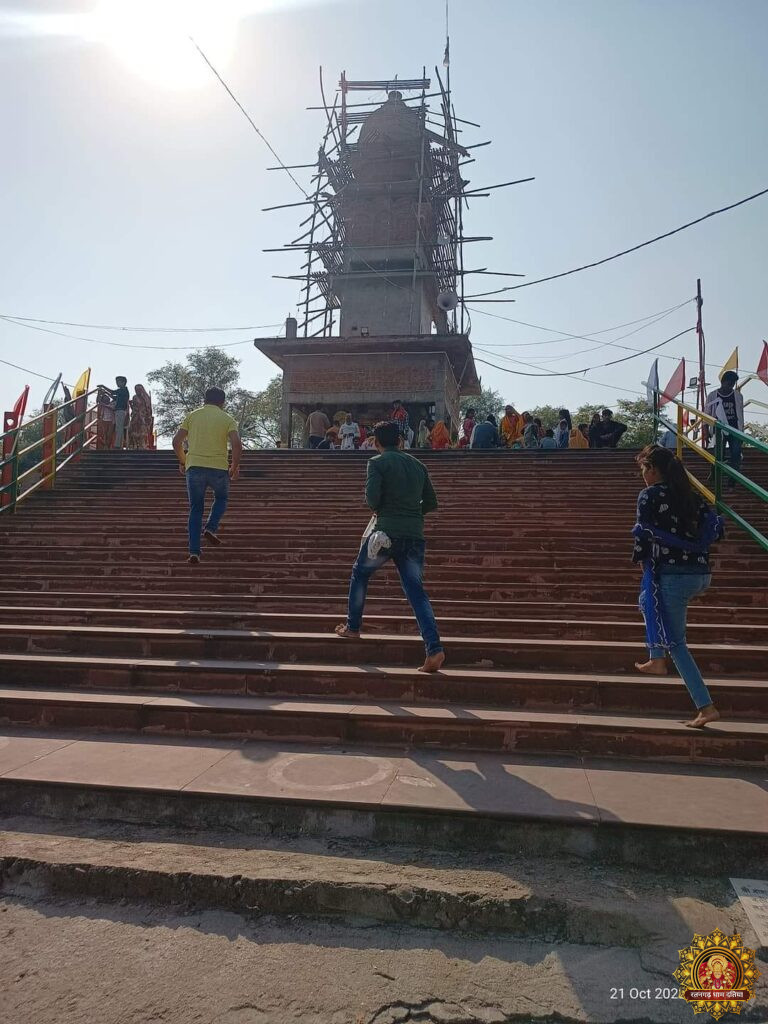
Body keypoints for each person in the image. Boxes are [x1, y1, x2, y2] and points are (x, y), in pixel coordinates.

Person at [334, 420, 444, 672]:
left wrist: (386, 510)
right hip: (414, 535)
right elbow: (431, 502)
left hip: (385, 534)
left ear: (376, 442)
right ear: (400, 440)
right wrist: (411, 514)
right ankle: (434, 649)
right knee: (416, 591)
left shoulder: (377, 463)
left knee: (360, 573)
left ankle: (353, 627)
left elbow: (372, 499)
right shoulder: (418, 465)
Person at [632, 445, 724, 729]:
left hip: (672, 574)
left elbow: (642, 535)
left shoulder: (649, 495)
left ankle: (705, 706)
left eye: (644, 470)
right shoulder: (692, 496)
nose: (643, 476)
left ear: (654, 469)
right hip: (699, 572)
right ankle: (655, 656)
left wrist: (642, 564)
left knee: (678, 644)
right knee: (645, 600)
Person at [172, 387, 243, 565]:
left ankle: (194, 552)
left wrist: (183, 461)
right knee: (222, 498)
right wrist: (234, 466)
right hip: (219, 467)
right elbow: (236, 444)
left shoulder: (193, 416)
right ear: (222, 402)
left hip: (194, 466)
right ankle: (211, 527)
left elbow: (176, 441)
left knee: (196, 509)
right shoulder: (227, 419)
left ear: (205, 400)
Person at [704, 370, 744, 488]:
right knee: (718, 454)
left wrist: (742, 433)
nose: (730, 386)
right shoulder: (712, 395)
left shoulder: (738, 396)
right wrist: (706, 431)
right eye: (729, 383)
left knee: (736, 455)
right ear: (723, 382)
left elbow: (741, 414)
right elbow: (706, 414)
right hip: (718, 430)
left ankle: (732, 481)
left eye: (733, 384)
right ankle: (714, 473)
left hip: (735, 430)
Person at [128, 384, 152, 450]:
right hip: (135, 416)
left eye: (139, 389)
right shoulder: (134, 397)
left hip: (143, 416)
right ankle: (134, 444)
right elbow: (134, 407)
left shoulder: (146, 397)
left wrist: (148, 417)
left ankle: (143, 445)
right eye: (136, 390)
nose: (137, 391)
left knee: (143, 431)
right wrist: (131, 405)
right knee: (134, 430)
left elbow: (148, 408)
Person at [109, 376, 130, 449]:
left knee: (119, 428)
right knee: (118, 428)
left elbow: (113, 392)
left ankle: (117, 445)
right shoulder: (122, 391)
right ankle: (118, 444)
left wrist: (103, 387)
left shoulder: (123, 390)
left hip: (121, 410)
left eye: (118, 382)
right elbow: (114, 396)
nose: (117, 383)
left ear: (123, 382)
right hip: (119, 411)